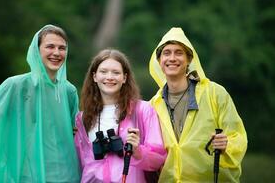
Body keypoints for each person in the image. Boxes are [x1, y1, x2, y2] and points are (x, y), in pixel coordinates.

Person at [0, 24, 81, 182]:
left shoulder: (69, 91)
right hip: (27, 175)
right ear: (36, 50)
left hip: (66, 175)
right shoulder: (15, 86)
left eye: (62, 48)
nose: (56, 53)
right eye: (50, 46)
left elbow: (76, 136)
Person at [149, 27, 247, 182]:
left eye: (179, 52)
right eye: (167, 53)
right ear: (159, 61)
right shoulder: (153, 105)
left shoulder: (215, 93)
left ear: (189, 60)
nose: (172, 58)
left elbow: (239, 137)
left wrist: (226, 144)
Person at [75, 49, 166, 183]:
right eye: (103, 71)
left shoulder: (142, 110)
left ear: (124, 78)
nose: (109, 77)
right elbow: (82, 161)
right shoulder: (83, 117)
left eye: (116, 72)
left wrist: (137, 151)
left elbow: (158, 158)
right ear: (94, 76)